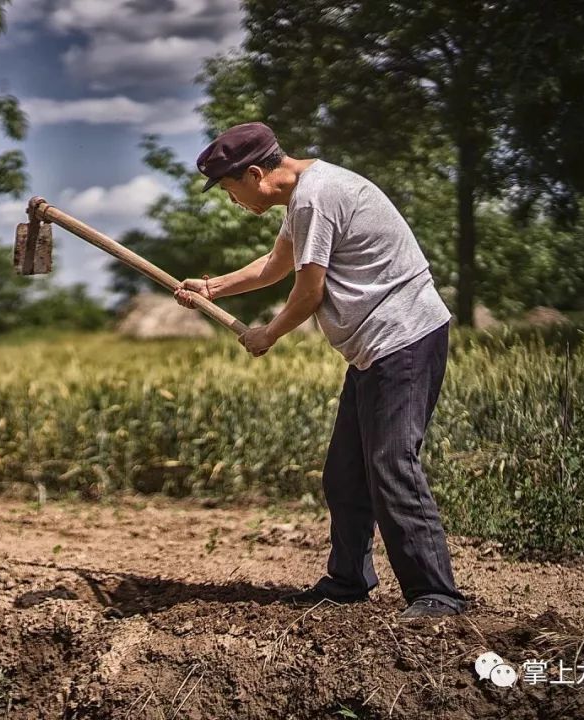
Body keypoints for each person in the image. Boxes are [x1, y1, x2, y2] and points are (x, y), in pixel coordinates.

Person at [174, 122, 467, 619]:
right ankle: (349, 580)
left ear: (254, 174)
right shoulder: (306, 197)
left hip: (404, 340)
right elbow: (275, 265)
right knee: (344, 474)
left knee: (392, 463)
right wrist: (212, 288)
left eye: (231, 190)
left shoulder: (316, 197)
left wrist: (267, 334)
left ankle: (436, 593)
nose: (234, 202)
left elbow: (308, 292)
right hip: (373, 350)